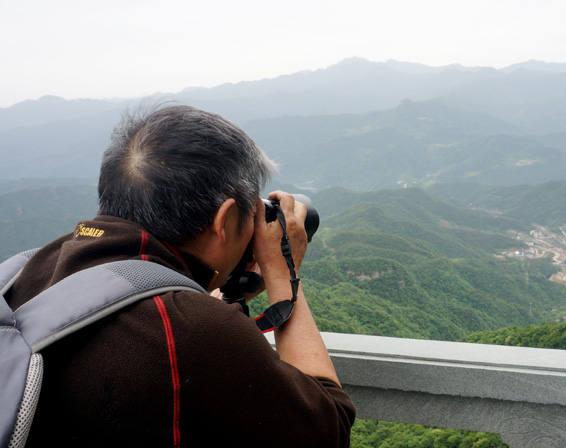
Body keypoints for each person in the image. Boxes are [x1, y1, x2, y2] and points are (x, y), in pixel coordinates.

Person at [4, 105, 355, 447]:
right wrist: (283, 274)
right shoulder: (194, 329)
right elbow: (330, 430)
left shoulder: (27, 270)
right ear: (226, 220)